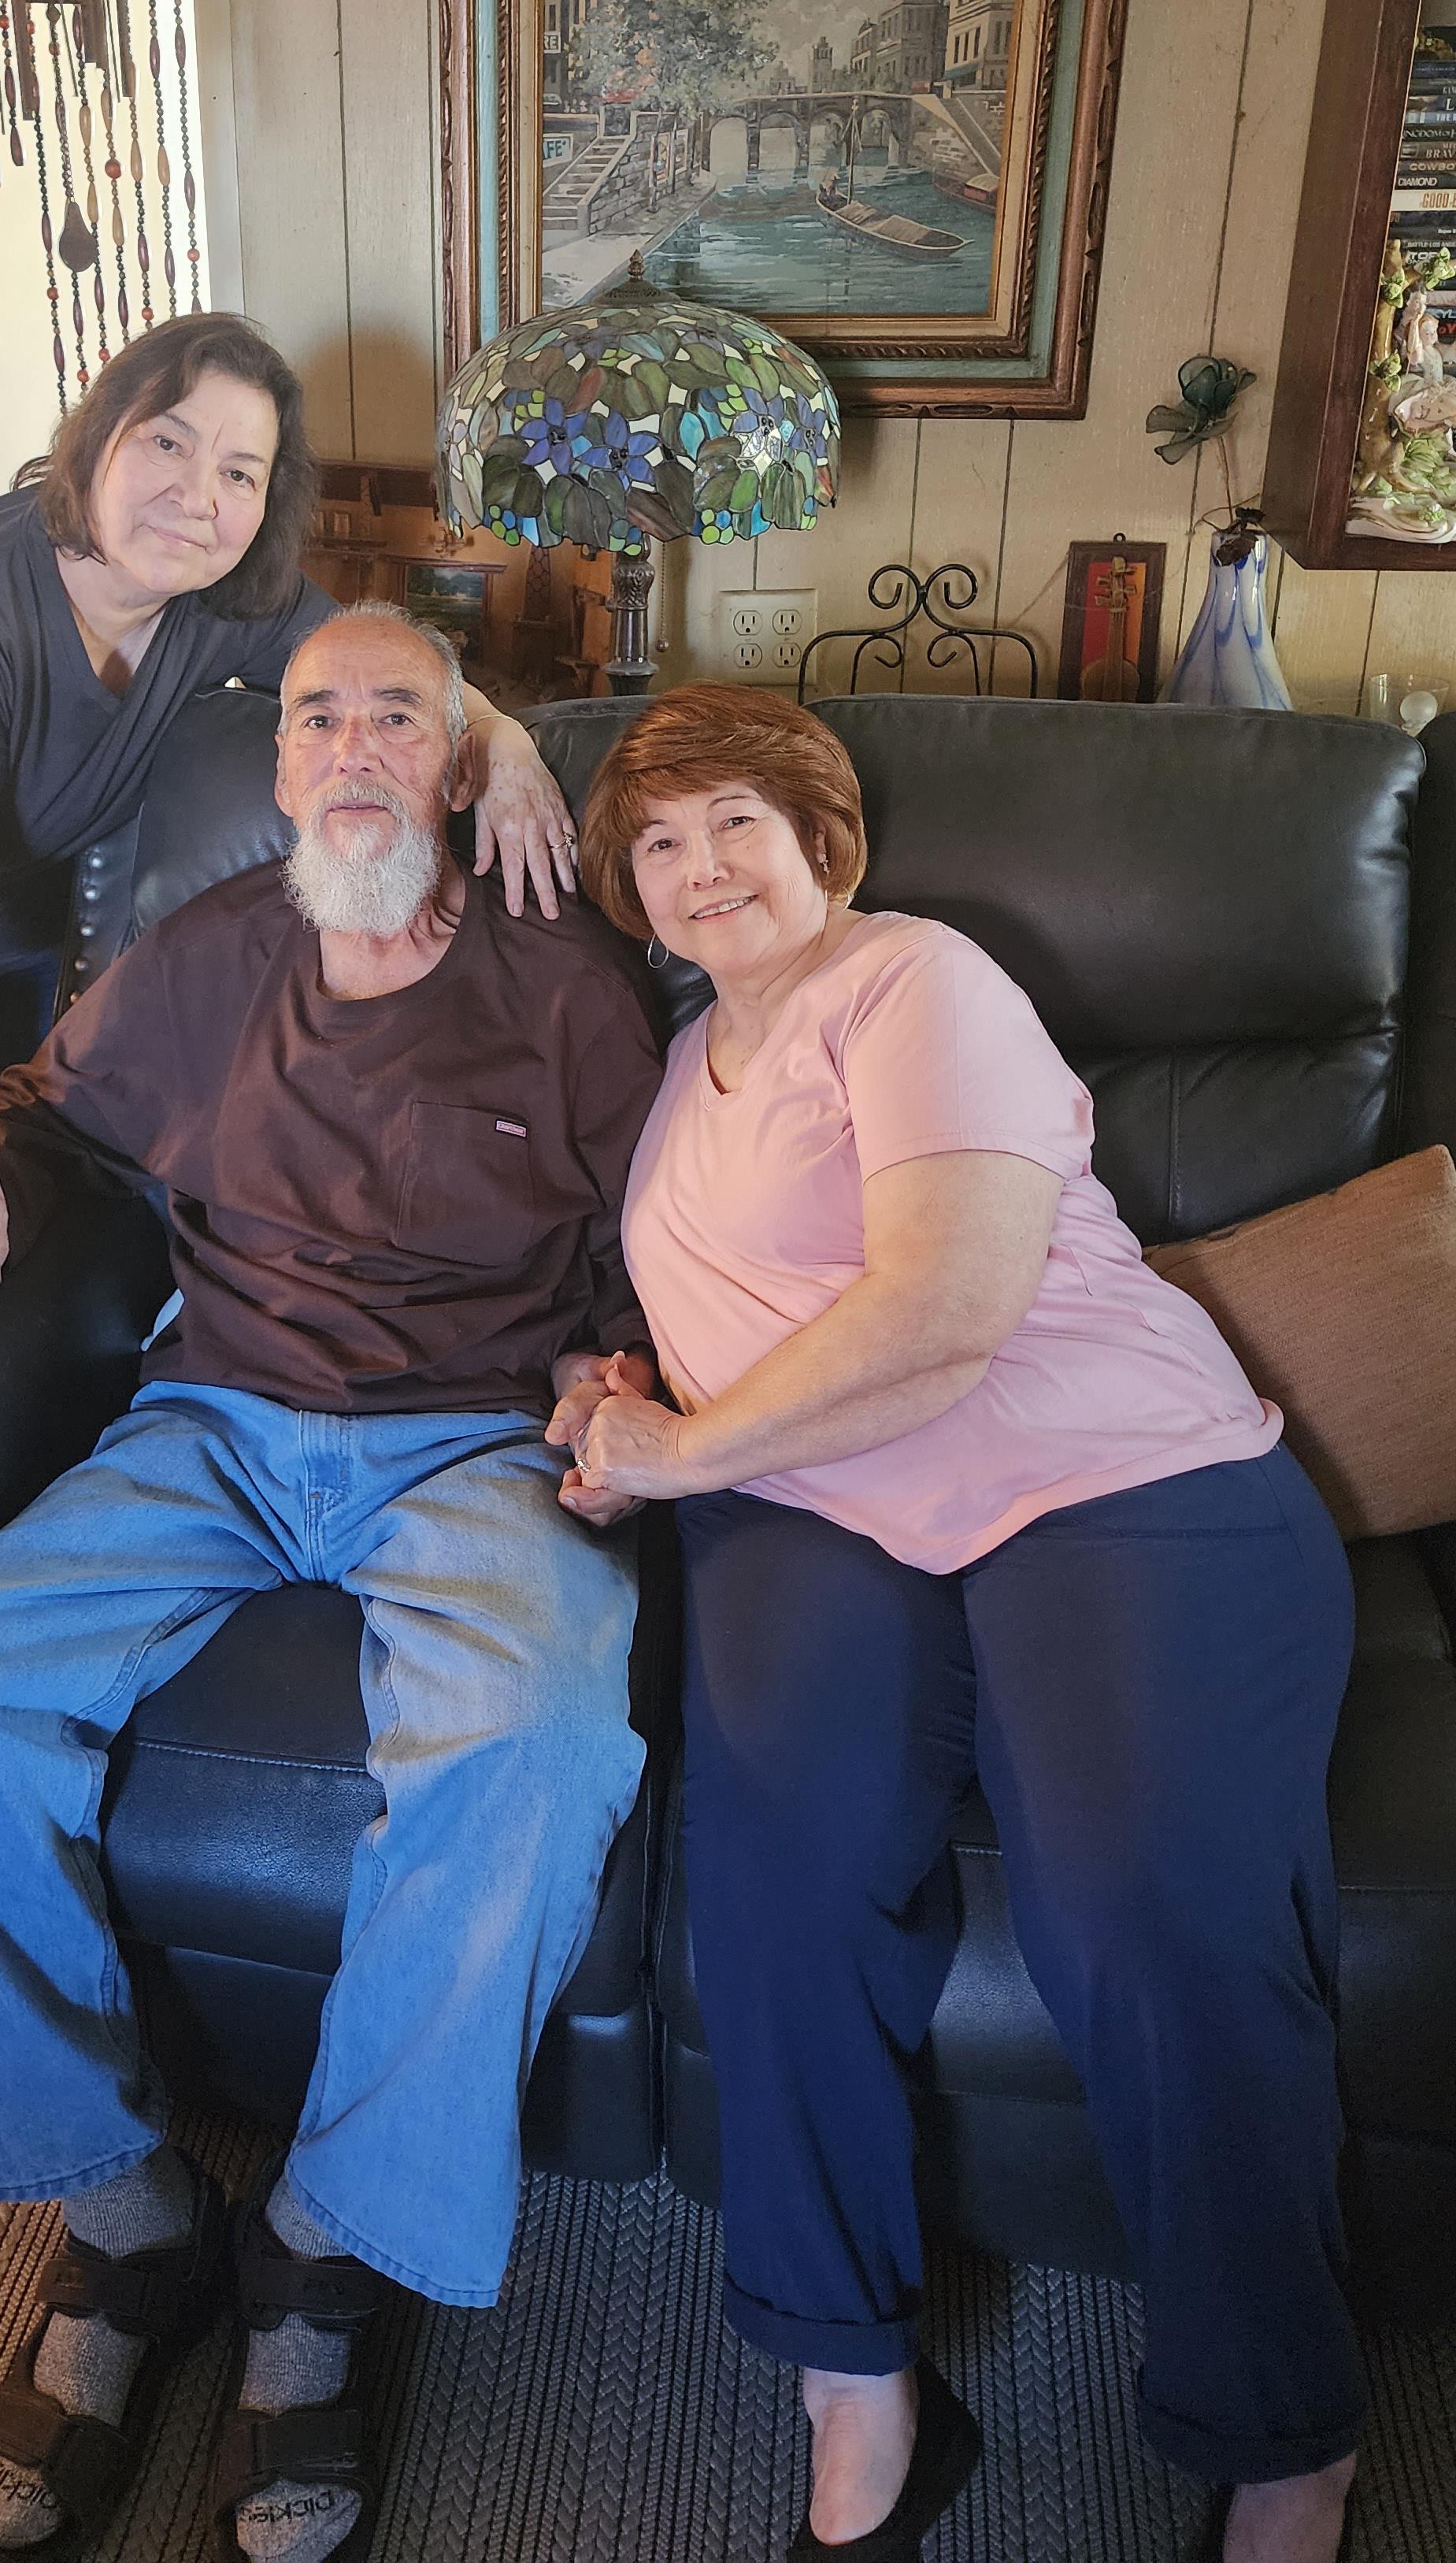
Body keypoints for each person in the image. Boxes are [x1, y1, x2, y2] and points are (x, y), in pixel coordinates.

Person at [0, 604, 666, 2563]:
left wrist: (615, 1369)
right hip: (209, 1423)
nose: (354, 747)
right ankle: (127, 2208)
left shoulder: (569, 985)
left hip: (473, 1438)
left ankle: (325, 2243)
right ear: (281, 765)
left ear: (459, 762)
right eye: (319, 719)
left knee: (541, 1739)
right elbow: (38, 1112)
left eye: (398, 716)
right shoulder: (206, 955)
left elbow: (666, 1234)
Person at [562, 686, 1360, 2563]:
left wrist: (678, 1453)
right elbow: (716, 1312)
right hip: (820, 1505)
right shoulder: (678, 1065)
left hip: (1112, 1471)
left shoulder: (916, 979)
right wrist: (614, 1399)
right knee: (776, 1871)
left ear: (824, 837)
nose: (701, 866)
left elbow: (945, 1303)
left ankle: (1283, 2432)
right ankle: (853, 2377)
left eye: (739, 820)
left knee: (1142, 1893)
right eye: (660, 841)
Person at [0, 313, 578, 1332]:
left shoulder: (226, 593)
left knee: (2, 1175)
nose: (198, 497)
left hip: (0, 921)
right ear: (98, 436)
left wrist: (503, 741)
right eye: (169, 441)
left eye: (240, 473)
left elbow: (380, 668)